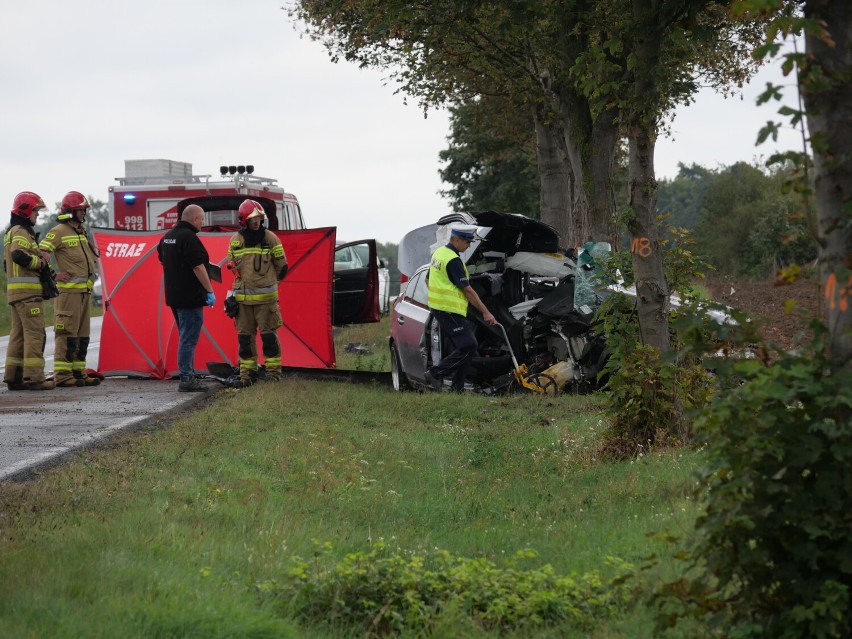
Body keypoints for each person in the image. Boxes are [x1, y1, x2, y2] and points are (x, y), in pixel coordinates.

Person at [39, 191, 101, 387]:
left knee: (82, 336)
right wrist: (52, 275)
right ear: (71, 211)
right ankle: (63, 375)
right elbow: (41, 253)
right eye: (81, 210)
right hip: (68, 294)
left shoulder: (80, 231)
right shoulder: (58, 231)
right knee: (66, 334)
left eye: (84, 210)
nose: (84, 213)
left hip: (84, 294)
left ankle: (78, 372)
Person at [425, 225, 497, 392]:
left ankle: (458, 388)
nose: (469, 246)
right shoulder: (453, 260)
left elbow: (428, 280)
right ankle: (435, 374)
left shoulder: (439, 253)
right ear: (456, 240)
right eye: (467, 242)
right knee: (469, 346)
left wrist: (439, 297)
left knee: (463, 348)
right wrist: (486, 312)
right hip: (449, 310)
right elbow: (468, 290)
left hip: (441, 308)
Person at [228, 199, 288, 387]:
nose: (256, 222)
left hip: (265, 301)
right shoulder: (236, 240)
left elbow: (282, 266)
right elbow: (234, 268)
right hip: (243, 302)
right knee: (245, 339)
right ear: (244, 220)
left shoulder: (270, 238)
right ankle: (247, 375)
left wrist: (270, 283)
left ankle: (273, 374)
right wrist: (232, 296)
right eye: (253, 219)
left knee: (269, 337)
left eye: (259, 218)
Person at [157, 204, 215, 392]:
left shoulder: (168, 237)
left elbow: (162, 258)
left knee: (185, 336)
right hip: (190, 297)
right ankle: (187, 378)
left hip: (174, 296)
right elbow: (198, 267)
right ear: (195, 219)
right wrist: (209, 290)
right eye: (202, 220)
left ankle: (187, 373)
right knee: (188, 339)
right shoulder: (189, 238)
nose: (203, 224)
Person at [3, 191, 55, 391]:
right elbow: (18, 255)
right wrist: (40, 263)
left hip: (16, 294)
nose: (38, 215)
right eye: (36, 211)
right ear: (25, 211)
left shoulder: (10, 231)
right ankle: (35, 378)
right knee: (35, 334)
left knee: (18, 335)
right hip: (28, 294)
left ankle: (14, 377)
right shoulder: (22, 232)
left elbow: (7, 263)